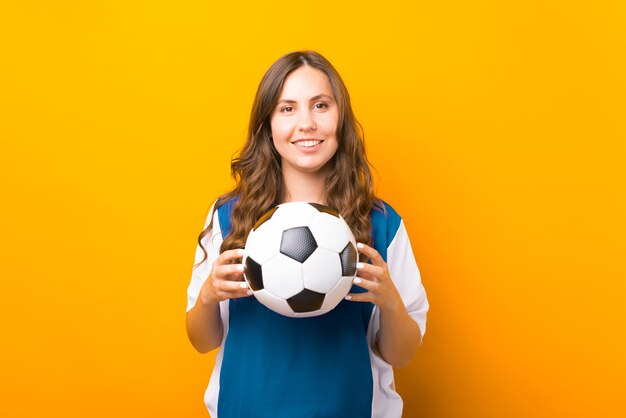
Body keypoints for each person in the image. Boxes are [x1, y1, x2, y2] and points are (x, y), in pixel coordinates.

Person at [185, 50, 429, 418]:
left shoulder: (380, 223)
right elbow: (202, 341)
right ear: (267, 124)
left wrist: (390, 300)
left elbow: (403, 354)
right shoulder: (230, 218)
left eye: (320, 106)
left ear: (340, 119)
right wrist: (207, 297)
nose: (306, 123)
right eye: (287, 109)